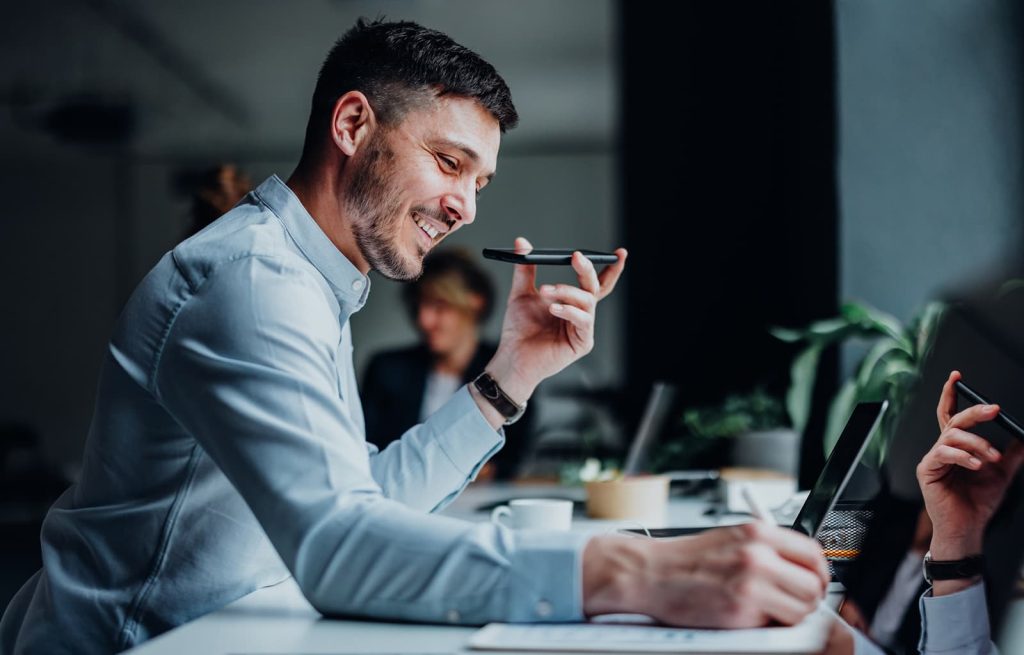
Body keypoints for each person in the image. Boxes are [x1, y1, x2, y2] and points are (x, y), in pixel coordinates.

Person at [0, 18, 830, 654]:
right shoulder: (251, 283)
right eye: (448, 160)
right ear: (354, 124)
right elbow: (333, 544)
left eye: (480, 180)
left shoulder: (310, 281)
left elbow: (359, 499)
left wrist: (510, 375)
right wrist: (633, 569)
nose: (468, 207)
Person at [836, 369, 1024, 654]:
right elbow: (841, 565)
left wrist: (958, 537)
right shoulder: (888, 516)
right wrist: (843, 605)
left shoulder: (976, 581)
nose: (964, 481)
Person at [362, 248, 535, 480]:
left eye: (439, 305)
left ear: (475, 302)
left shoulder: (509, 367)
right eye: (419, 306)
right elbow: (368, 452)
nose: (424, 320)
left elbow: (512, 458)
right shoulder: (386, 369)